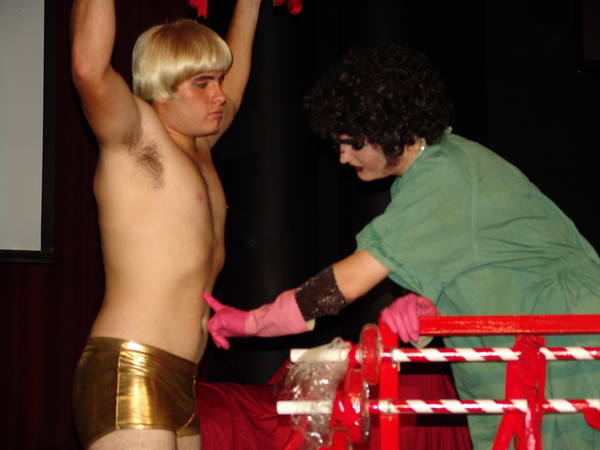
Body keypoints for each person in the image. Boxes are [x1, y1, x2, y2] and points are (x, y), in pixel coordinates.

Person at [204, 43, 600, 449]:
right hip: (533, 348)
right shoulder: (440, 167)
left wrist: (249, 322)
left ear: (391, 131)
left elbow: (341, 285)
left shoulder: (442, 176)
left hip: (566, 346)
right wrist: (432, 304)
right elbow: (492, 261)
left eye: (353, 143)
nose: (343, 157)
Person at [70, 0, 261, 448]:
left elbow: (235, 85)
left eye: (218, 80)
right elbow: (88, 69)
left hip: (183, 377)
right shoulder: (135, 137)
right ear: (162, 87)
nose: (219, 94)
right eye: (203, 83)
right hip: (131, 366)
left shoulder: (201, 147)